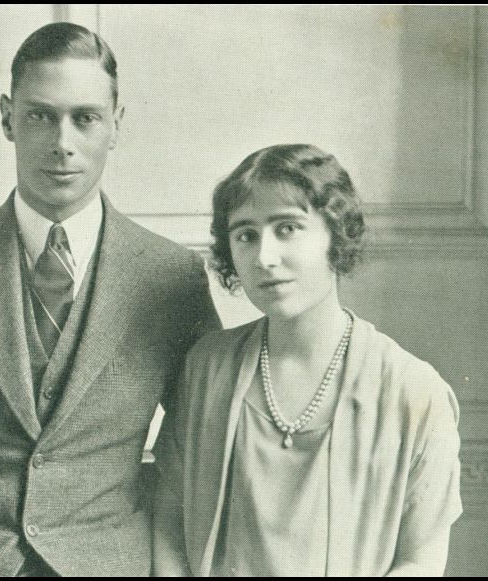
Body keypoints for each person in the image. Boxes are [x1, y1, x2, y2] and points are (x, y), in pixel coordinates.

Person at [0, 22, 220, 577]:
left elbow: (203, 447)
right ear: (7, 118)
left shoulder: (172, 279)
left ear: (116, 125)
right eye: (39, 116)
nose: (62, 143)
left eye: (85, 118)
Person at [153, 144, 462, 576]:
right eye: (245, 234)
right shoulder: (208, 368)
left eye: (287, 228)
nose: (264, 257)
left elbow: (420, 560)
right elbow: (169, 524)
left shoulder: (413, 390)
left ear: (336, 233)